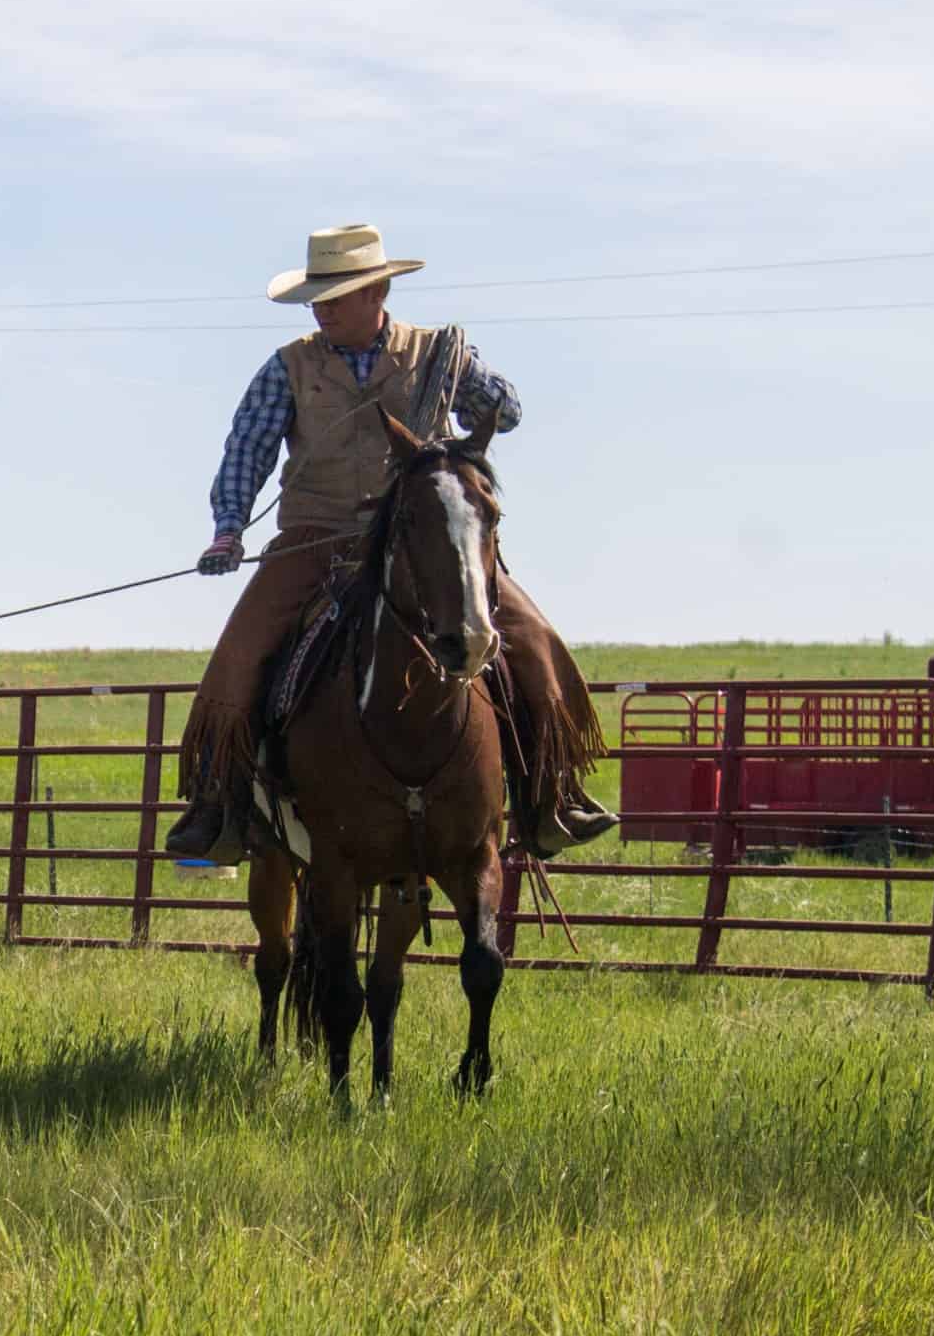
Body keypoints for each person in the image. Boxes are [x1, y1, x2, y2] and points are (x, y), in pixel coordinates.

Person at [163, 223, 616, 866]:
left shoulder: (436, 352)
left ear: (377, 290)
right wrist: (229, 529)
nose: (322, 308)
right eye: (317, 297)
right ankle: (219, 802)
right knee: (239, 656)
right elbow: (247, 451)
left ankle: (551, 797)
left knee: (533, 641)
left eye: (336, 294)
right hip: (316, 539)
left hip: (425, 543)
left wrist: (474, 379)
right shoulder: (288, 366)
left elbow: (507, 415)